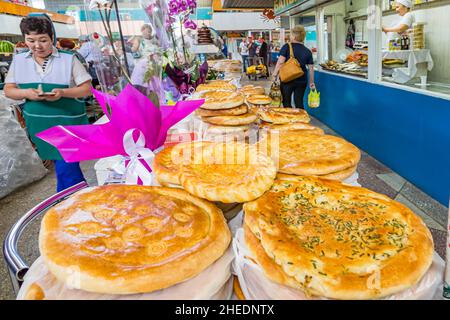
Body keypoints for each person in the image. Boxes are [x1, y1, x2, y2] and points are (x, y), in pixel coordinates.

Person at [4, 15, 92, 192]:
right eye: (31, 40)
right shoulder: (19, 61)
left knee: (67, 166)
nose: (37, 46)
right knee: (64, 167)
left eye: (43, 40)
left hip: (68, 124)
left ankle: (67, 201)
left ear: (52, 37)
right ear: (24, 39)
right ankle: (75, 199)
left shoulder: (69, 59)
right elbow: (9, 90)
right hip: (40, 125)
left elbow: (87, 89)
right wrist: (26, 93)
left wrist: (63, 93)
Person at [272, 25, 315, 109]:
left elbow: (280, 62)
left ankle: (290, 120)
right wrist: (311, 82)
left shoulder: (287, 47)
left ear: (294, 36)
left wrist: (274, 74)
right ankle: (301, 120)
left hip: (287, 79)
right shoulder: (307, 51)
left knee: (286, 102)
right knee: (299, 102)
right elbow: (311, 69)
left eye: (291, 34)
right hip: (302, 80)